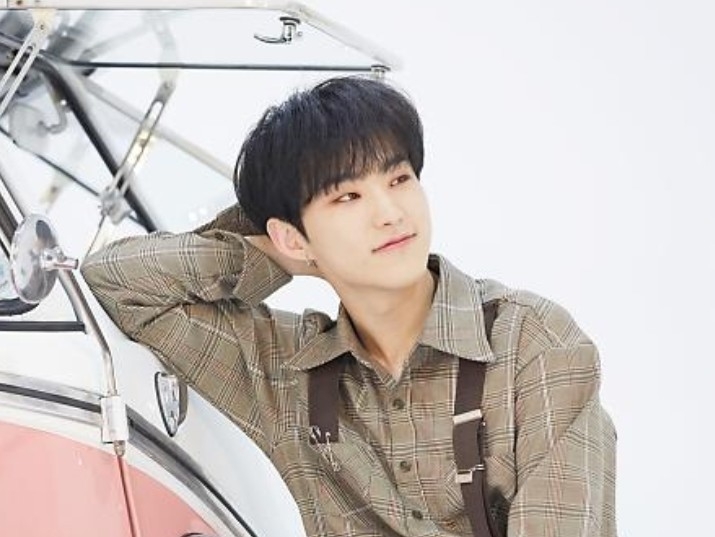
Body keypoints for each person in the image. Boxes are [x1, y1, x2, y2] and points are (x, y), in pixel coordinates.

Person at [82, 76, 617, 537]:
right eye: (347, 197)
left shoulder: (530, 344)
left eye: (399, 179)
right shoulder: (285, 377)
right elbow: (119, 281)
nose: (390, 213)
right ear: (291, 237)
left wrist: (315, 239)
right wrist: (285, 252)